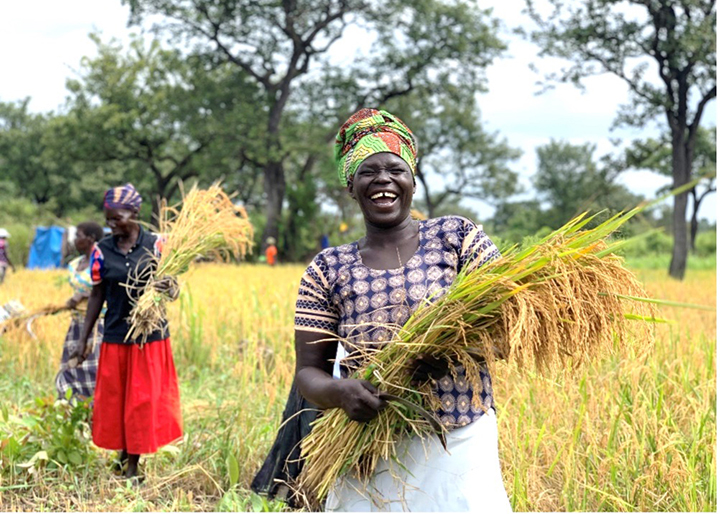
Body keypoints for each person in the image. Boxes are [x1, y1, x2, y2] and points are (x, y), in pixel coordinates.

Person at [292, 108, 512, 511]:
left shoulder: (458, 237)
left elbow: (507, 323)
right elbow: (309, 372)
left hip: (459, 440)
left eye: (395, 169)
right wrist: (340, 392)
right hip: (369, 444)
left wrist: (452, 351)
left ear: (411, 179)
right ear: (350, 186)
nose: (382, 180)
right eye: (367, 172)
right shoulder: (327, 268)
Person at [71, 184, 182, 481]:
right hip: (116, 335)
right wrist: (83, 340)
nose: (111, 224)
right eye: (107, 219)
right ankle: (123, 454)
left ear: (134, 214)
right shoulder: (101, 251)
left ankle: (133, 466)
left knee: (141, 402)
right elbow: (97, 295)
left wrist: (167, 287)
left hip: (149, 338)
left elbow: (173, 288)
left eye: (117, 218)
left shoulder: (158, 245)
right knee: (117, 401)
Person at [55, 221, 106, 400]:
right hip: (77, 325)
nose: (75, 240)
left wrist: (83, 294)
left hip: (98, 325)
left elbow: (106, 288)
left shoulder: (103, 259)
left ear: (91, 238)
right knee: (70, 367)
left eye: (78, 235)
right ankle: (72, 408)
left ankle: (96, 410)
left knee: (94, 370)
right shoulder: (75, 264)